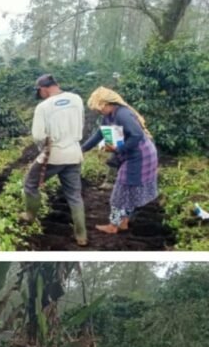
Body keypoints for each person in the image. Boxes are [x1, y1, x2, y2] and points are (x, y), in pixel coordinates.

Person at [83, 87, 159, 234]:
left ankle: (113, 225)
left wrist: (118, 149)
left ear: (106, 104)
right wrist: (82, 149)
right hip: (134, 154)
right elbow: (100, 133)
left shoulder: (122, 114)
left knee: (120, 192)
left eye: (99, 108)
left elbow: (136, 136)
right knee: (128, 191)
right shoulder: (110, 115)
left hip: (140, 156)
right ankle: (123, 222)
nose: (98, 111)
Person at [23, 74, 87, 246]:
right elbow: (81, 124)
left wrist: (42, 149)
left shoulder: (43, 107)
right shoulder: (76, 99)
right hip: (74, 153)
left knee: (30, 184)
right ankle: (81, 235)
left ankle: (29, 215)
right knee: (74, 195)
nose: (40, 94)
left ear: (43, 89)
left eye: (40, 91)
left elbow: (38, 136)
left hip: (53, 155)